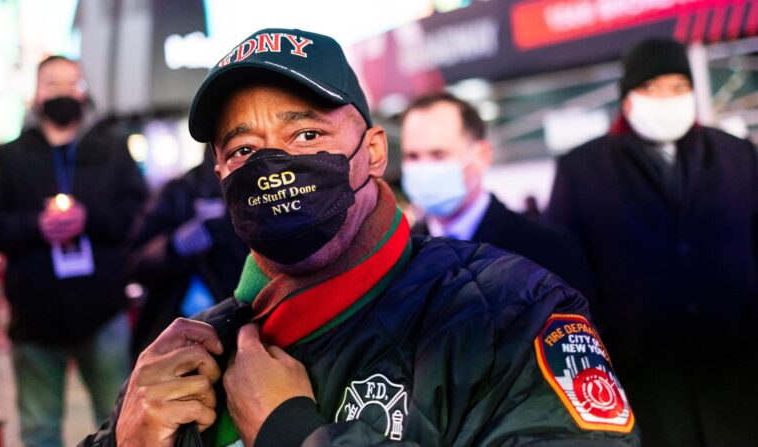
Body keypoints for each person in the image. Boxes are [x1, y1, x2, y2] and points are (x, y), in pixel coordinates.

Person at [81, 28, 639, 447]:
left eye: (306, 133)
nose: (275, 166)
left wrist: (293, 433)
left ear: (372, 151)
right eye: (244, 150)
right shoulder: (192, 351)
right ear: (222, 176)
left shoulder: (511, 312)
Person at [545, 37, 758, 447]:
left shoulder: (736, 156)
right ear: (628, 98)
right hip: (642, 386)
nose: (667, 99)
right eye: (652, 88)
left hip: (738, 383)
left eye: (678, 87)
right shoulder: (583, 169)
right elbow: (567, 277)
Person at [0, 55, 148, 447]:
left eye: (72, 84)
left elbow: (137, 213)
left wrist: (90, 218)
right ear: (36, 92)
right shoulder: (9, 158)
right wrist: (35, 226)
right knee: (38, 428)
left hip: (103, 309)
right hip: (34, 315)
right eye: (52, 84)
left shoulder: (112, 151)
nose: (62, 93)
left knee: (121, 420)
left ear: (84, 92)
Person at [400, 93, 595, 301]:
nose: (423, 168)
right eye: (413, 156)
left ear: (482, 155)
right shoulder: (402, 255)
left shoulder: (549, 249)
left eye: (439, 155)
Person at [127, 147, 248, 360]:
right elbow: (136, 263)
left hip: (246, 323)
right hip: (177, 323)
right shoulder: (179, 191)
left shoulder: (259, 189)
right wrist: (176, 245)